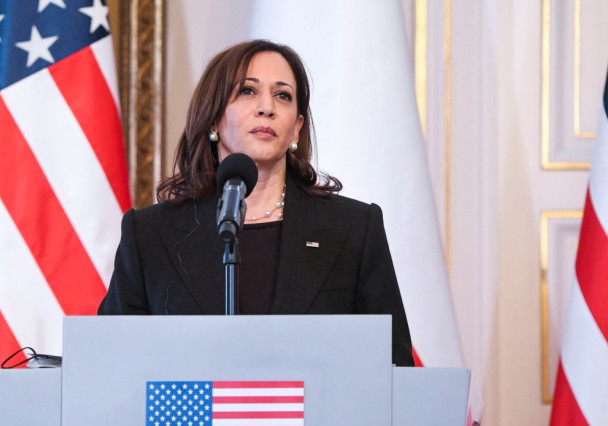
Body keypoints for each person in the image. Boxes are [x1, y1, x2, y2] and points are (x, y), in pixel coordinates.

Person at [98, 40, 414, 367]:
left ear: (297, 127)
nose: (267, 107)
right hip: (188, 417)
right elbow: (111, 367)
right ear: (212, 119)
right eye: (248, 91)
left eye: (282, 95)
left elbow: (394, 370)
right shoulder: (149, 234)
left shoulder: (353, 229)